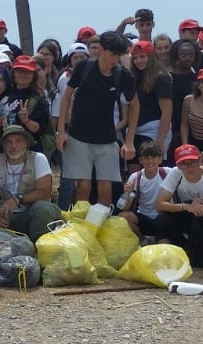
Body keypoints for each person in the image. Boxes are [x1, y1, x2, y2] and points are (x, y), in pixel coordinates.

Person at [57, 31, 138, 206]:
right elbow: (66, 96)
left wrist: (129, 141)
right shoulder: (83, 68)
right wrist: (62, 131)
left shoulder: (123, 75)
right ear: (101, 50)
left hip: (107, 137)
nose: (115, 59)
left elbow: (135, 105)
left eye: (119, 54)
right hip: (78, 134)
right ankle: (81, 225)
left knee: (106, 186)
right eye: (112, 53)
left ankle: (101, 225)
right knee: (83, 185)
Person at [152, 144, 203, 271]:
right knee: (161, 219)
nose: (189, 167)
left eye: (193, 162)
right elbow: (159, 205)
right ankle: (165, 255)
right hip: (187, 217)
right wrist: (188, 206)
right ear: (178, 165)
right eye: (184, 164)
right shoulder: (175, 174)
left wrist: (201, 209)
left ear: (200, 160)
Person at [0, 125, 61, 240]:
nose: (14, 146)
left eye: (18, 141)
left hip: (27, 215)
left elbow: (44, 193)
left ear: (26, 143)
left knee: (44, 209)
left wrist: (17, 200)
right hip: (0, 215)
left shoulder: (38, 159)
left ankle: (38, 248)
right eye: (9, 142)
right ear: (3, 145)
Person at [128, 40, 173, 157]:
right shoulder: (134, 77)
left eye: (142, 56)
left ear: (151, 57)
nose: (139, 61)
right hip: (136, 130)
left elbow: (167, 112)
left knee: (154, 171)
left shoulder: (161, 77)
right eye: (135, 58)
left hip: (155, 130)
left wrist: (160, 142)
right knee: (134, 171)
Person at [117, 140, 169, 241]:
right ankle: (143, 241)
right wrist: (127, 193)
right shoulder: (135, 177)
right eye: (146, 158)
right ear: (140, 160)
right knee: (123, 217)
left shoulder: (168, 173)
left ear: (160, 159)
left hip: (164, 218)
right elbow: (125, 208)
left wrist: (201, 167)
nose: (150, 161)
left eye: (153, 157)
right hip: (143, 216)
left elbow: (183, 168)